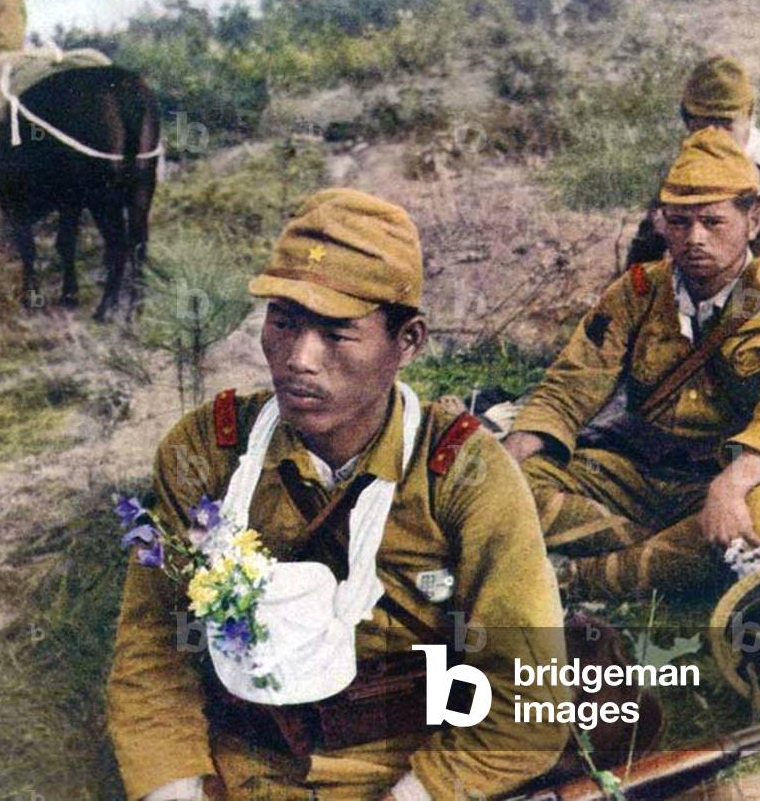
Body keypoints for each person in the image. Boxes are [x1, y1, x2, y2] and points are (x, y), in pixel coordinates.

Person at [107, 189, 567, 801]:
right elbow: (155, 653)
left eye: (336, 333)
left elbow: (528, 688)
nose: (299, 359)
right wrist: (176, 790)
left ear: (407, 341)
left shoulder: (463, 473)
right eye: (284, 322)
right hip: (248, 768)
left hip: (411, 770)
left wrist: (421, 793)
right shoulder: (207, 453)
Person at [504, 128, 760, 600]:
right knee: (509, 482)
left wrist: (731, 483)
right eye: (679, 223)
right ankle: (668, 555)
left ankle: (576, 578)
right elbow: (570, 384)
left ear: (755, 222)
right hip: (633, 473)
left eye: (713, 222)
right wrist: (514, 452)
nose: (694, 239)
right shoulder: (638, 291)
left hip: (724, 477)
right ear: (662, 223)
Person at [628, 56, 760, 279]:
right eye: (704, 125)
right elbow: (648, 240)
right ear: (688, 122)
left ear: (749, 115)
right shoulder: (689, 166)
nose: (716, 136)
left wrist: (727, 220)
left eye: (726, 125)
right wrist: (634, 289)